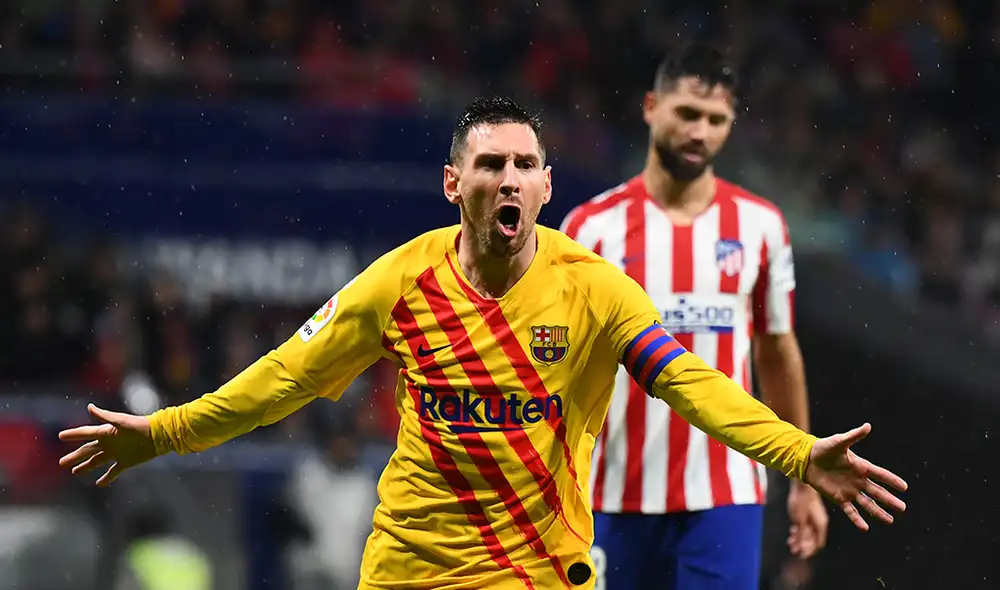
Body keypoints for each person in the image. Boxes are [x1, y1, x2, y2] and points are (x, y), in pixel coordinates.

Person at [58, 96, 907, 590]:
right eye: (490, 162)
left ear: (545, 184)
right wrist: (163, 434)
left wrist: (797, 454)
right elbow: (281, 379)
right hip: (411, 572)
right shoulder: (398, 283)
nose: (508, 178)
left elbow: (694, 385)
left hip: (540, 577)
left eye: (524, 163)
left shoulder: (595, 290)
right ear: (452, 182)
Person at [560, 44, 827, 589]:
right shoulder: (589, 230)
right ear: (651, 106)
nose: (700, 132)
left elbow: (778, 352)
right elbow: (559, 367)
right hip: (611, 492)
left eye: (716, 120)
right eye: (687, 113)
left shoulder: (761, 226)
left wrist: (805, 478)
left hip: (724, 495)